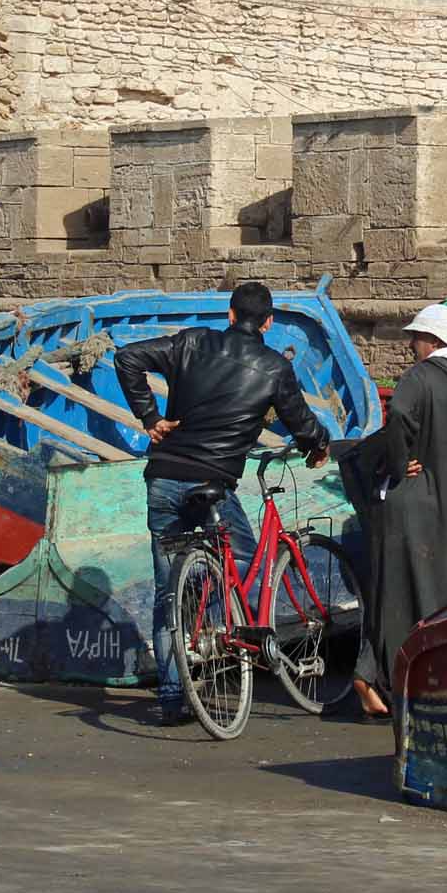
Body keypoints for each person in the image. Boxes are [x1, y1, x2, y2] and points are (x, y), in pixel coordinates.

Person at [115, 281, 329, 724]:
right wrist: (317, 445)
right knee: (250, 564)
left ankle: (173, 698)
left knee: (164, 592)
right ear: (268, 323)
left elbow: (128, 357)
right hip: (215, 480)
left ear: (230, 315)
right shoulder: (272, 367)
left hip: (164, 474)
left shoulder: (192, 341)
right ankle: (233, 638)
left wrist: (150, 419)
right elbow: (300, 420)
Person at [350, 302, 447, 717]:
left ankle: (383, 679)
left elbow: (397, 415)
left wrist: (399, 462)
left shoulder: (420, 377)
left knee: (396, 594)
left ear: (433, 340)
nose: (412, 345)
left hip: (416, 501)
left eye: (416, 337)